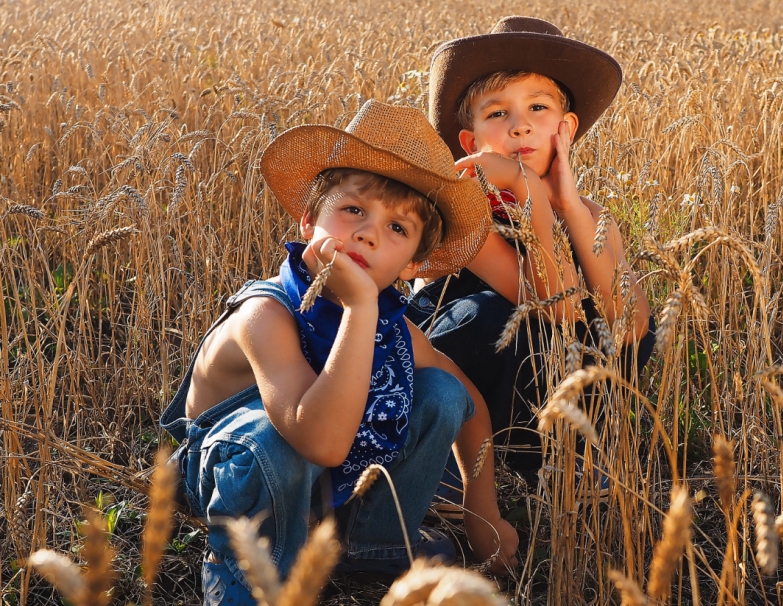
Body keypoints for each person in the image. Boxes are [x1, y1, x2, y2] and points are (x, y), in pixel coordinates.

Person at [159, 100, 518, 606]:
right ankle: (250, 582)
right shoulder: (266, 315)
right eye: (354, 210)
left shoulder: (389, 324)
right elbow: (319, 443)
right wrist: (359, 306)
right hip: (235, 477)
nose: (369, 232)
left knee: (437, 391)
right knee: (272, 436)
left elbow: (468, 403)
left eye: (397, 229)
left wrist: (486, 516)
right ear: (309, 221)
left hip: (321, 474)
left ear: (412, 265)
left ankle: (374, 543)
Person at [408, 16, 655, 488]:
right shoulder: (463, 214)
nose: (519, 127)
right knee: (495, 315)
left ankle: (557, 455)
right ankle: (447, 467)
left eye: (537, 108)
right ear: (470, 142)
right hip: (459, 384)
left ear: (566, 129)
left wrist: (565, 205)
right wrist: (529, 192)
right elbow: (556, 303)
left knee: (618, 328)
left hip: (542, 394)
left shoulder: (588, 214)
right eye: (497, 114)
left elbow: (633, 324)